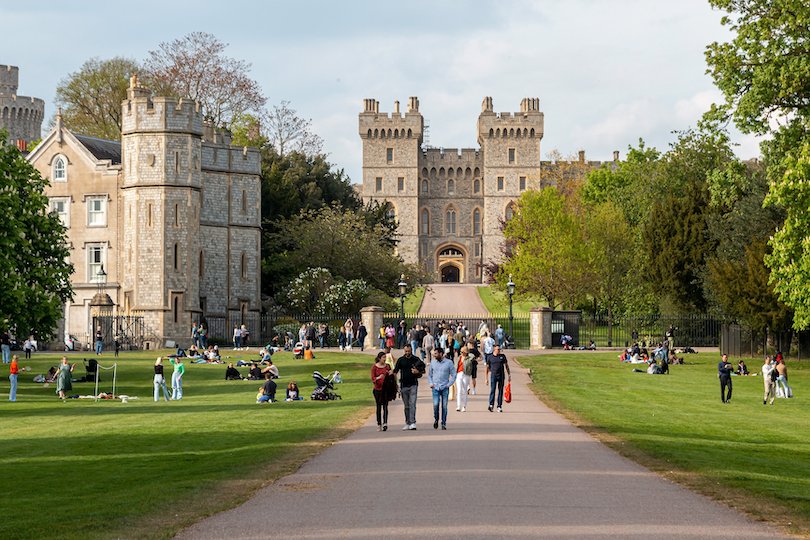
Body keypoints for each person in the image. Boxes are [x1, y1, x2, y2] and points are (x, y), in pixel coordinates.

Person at [393, 345, 424, 430]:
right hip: (404, 385)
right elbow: (395, 372)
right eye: (406, 351)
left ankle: (413, 422)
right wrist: (395, 385)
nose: (407, 353)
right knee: (406, 406)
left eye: (409, 351)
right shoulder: (401, 360)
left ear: (411, 350)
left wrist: (417, 371)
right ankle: (407, 422)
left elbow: (423, 369)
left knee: (412, 404)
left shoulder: (416, 359)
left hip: (413, 384)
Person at [428, 348, 456, 430]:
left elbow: (454, 375)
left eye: (436, 354)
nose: (434, 355)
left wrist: (449, 384)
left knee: (444, 406)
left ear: (441, 353)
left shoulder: (449, 363)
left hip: (444, 387)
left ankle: (443, 423)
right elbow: (430, 374)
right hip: (435, 387)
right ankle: (436, 419)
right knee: (436, 405)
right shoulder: (433, 362)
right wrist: (431, 383)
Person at [486, 345, 511, 412]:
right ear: (494, 350)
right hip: (493, 375)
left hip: (501, 376)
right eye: (497, 349)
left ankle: (499, 406)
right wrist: (486, 378)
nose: (499, 351)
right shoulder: (490, 357)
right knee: (492, 390)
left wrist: (509, 374)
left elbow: (506, 366)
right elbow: (487, 368)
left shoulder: (502, 356)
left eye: (499, 349)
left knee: (500, 391)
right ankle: (491, 405)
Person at [371, 351, 392, 431]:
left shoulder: (387, 366)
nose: (385, 359)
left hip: (386, 389)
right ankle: (379, 423)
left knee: (385, 406)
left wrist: (391, 374)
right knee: (378, 406)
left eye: (385, 357)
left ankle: (385, 423)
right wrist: (378, 377)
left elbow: (392, 377)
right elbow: (373, 378)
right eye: (383, 357)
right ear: (379, 358)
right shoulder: (374, 367)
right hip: (377, 389)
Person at [455, 347, 473, 412]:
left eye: (463, 352)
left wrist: (468, 353)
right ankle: (458, 406)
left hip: (466, 374)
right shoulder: (459, 358)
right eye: (461, 351)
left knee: (464, 391)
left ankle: (464, 406)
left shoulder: (469, 358)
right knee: (459, 390)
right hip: (459, 374)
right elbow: (455, 366)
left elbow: (474, 356)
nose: (461, 353)